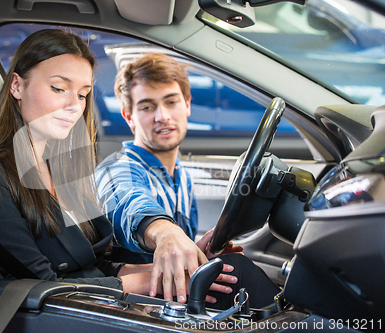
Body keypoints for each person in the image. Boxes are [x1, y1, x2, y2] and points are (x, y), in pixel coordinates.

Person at [0, 29, 229, 300]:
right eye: (59, 88)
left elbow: (96, 268)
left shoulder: (62, 171)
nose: (74, 105)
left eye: (82, 94)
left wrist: (190, 261)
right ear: (17, 86)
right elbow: (38, 288)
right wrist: (165, 261)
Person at [96, 53, 280, 308]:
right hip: (133, 306)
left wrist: (197, 253)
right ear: (129, 117)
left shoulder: (181, 175)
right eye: (147, 107)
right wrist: (165, 233)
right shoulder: (120, 168)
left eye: (171, 102)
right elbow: (127, 200)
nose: (162, 116)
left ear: (187, 104)